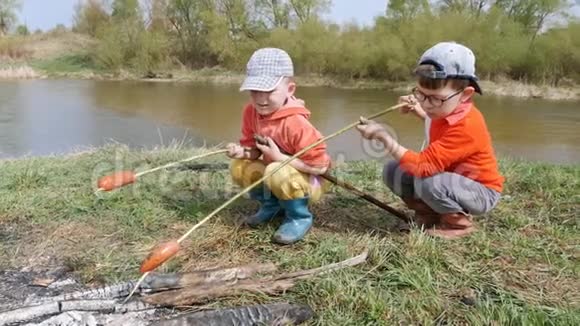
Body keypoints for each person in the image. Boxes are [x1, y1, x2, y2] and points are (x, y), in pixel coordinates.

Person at [356, 42, 504, 239]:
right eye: (421, 94)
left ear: (465, 94)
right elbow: (438, 122)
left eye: (435, 98)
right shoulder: (445, 110)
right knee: (394, 171)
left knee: (428, 181)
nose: (426, 103)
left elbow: (423, 166)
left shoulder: (468, 126)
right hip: (450, 180)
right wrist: (419, 111)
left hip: (480, 191)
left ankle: (458, 224)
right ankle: (428, 214)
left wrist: (384, 138)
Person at [226, 48, 331, 245]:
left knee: (276, 169)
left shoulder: (296, 123)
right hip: (277, 174)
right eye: (255, 91)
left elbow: (320, 168)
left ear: (290, 89)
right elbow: (254, 149)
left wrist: (279, 157)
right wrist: (241, 152)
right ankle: (271, 205)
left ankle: (298, 217)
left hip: (312, 182)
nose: (260, 99)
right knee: (239, 166)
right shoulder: (251, 112)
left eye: (269, 91)